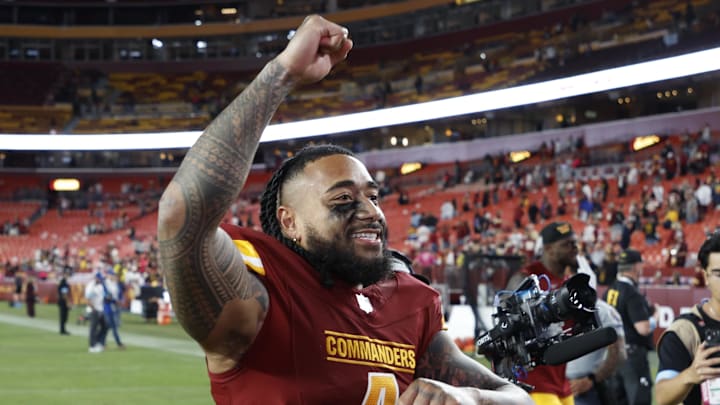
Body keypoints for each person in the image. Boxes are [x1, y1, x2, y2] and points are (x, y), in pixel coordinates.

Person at [157, 15, 532, 405]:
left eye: (373, 196)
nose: (370, 211)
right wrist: (281, 74)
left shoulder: (409, 300)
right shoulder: (265, 295)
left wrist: (470, 397)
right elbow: (180, 217)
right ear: (290, 222)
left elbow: (517, 398)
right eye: (343, 200)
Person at [507, 221, 580, 404]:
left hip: (561, 380)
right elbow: (506, 324)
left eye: (574, 243)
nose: (574, 248)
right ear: (548, 249)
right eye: (566, 244)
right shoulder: (526, 278)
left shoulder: (569, 283)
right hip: (533, 380)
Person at [655, 233, 720, 404]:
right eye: (719, 274)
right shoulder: (685, 331)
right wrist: (691, 374)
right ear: (706, 277)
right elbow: (661, 397)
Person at [566, 261, 627, 405]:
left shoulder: (602, 311)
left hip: (586, 387)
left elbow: (619, 354)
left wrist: (592, 379)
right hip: (556, 385)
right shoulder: (555, 309)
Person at [602, 249, 654, 405]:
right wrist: (655, 318)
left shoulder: (609, 290)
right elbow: (643, 328)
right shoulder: (631, 292)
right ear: (636, 267)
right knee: (639, 399)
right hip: (632, 355)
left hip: (613, 355)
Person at [85, 272, 108, 353]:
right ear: (96, 278)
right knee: (93, 328)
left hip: (100, 309)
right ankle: (92, 346)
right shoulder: (91, 286)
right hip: (94, 310)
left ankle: (98, 341)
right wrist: (93, 309)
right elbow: (88, 299)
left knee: (105, 326)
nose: (101, 280)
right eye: (100, 278)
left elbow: (103, 296)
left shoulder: (100, 286)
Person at [57, 270, 72, 335]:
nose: (68, 276)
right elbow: (64, 294)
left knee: (63, 316)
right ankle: (62, 330)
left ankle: (62, 329)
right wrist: (67, 303)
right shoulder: (64, 283)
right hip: (63, 302)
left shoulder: (62, 282)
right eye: (67, 274)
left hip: (61, 301)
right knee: (64, 316)